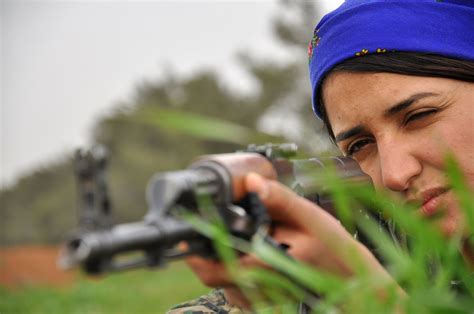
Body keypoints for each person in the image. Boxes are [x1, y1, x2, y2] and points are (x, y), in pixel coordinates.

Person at [169, 0, 474, 312]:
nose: (395, 174)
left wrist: (368, 298)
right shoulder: (388, 249)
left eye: (418, 116)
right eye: (359, 145)